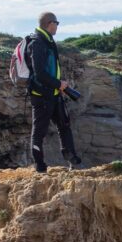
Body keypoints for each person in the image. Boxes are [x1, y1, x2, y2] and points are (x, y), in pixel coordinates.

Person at [25, 12, 82, 172]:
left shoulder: (47, 40)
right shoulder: (37, 42)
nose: (58, 26)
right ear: (50, 23)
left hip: (54, 93)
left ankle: (73, 161)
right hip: (41, 95)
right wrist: (59, 84)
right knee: (39, 132)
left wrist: (59, 86)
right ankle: (40, 167)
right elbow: (40, 74)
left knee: (64, 125)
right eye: (57, 22)